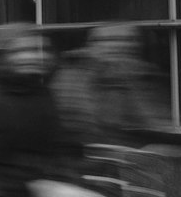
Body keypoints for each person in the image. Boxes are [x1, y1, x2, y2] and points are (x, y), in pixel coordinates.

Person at [50, 22, 164, 151]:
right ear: (92, 44)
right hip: (88, 154)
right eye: (109, 40)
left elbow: (153, 122)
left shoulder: (140, 76)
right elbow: (75, 125)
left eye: (128, 40)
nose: (118, 46)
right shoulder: (72, 76)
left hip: (128, 154)